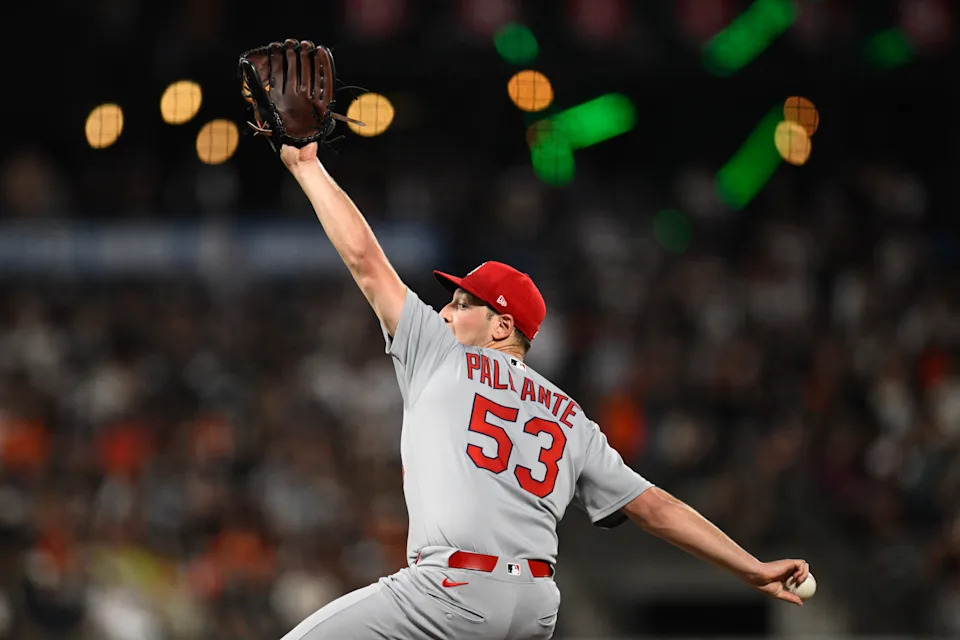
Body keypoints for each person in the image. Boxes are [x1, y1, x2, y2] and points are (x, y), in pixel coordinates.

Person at [276, 141, 811, 640]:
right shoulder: (571, 416)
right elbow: (656, 508)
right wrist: (751, 566)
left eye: (462, 304)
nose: (444, 311)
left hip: (450, 591)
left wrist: (307, 166)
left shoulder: (442, 354)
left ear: (502, 326)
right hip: (534, 608)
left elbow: (367, 262)